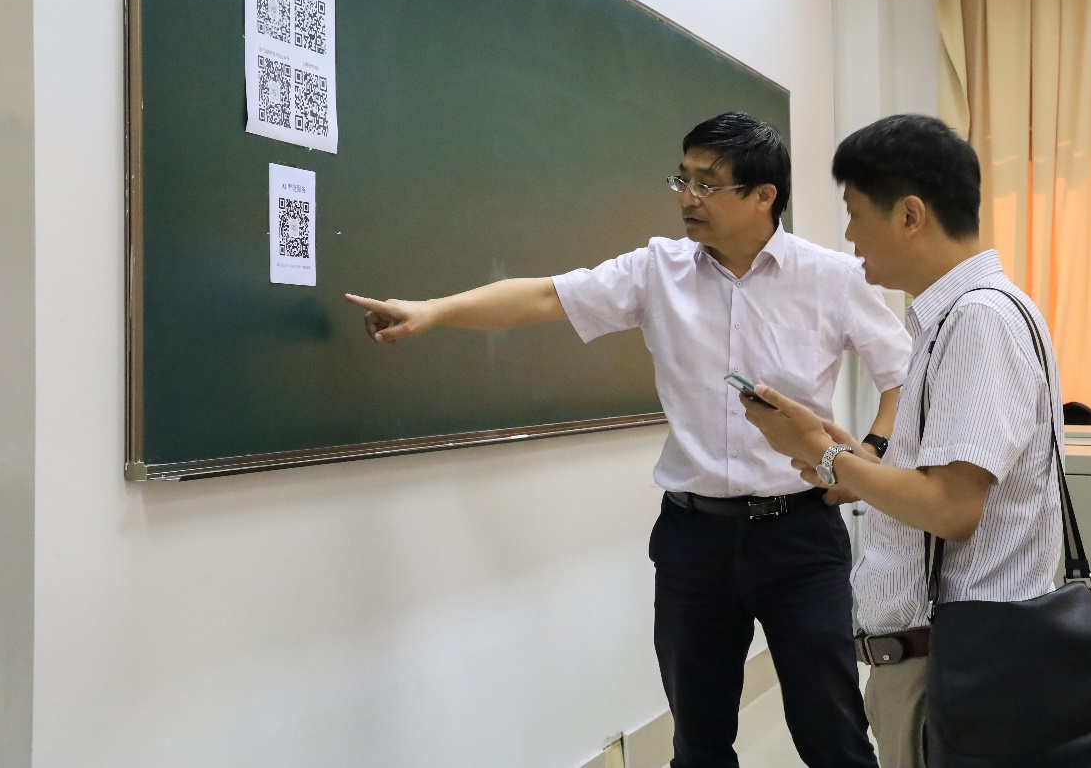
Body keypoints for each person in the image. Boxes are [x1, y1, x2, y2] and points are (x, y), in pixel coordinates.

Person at [345, 112, 911, 768]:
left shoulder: (830, 277)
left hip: (800, 536)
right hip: (693, 539)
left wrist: (869, 455)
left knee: (831, 733)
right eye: (682, 178)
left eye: (707, 184)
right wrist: (435, 311)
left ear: (764, 195)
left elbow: (902, 373)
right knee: (697, 741)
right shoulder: (656, 270)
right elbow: (543, 298)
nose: (686, 196)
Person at [742, 114, 1063, 768]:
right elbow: (939, 482)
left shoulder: (977, 320)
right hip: (954, 659)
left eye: (855, 212)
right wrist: (854, 462)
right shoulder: (961, 317)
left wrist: (827, 454)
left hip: (954, 668)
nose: (849, 234)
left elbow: (950, 508)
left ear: (910, 215)